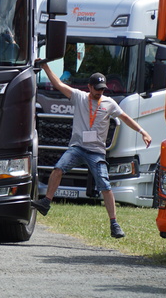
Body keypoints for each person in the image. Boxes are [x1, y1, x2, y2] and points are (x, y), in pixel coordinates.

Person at [32, 63, 152, 238]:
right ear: (89, 87)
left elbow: (125, 117)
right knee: (58, 169)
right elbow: (58, 84)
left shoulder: (109, 103)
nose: (99, 92)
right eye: (96, 89)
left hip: (96, 152)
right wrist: (46, 67)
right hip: (77, 148)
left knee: (105, 185)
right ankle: (46, 202)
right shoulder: (79, 97)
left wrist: (143, 132)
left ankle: (114, 224)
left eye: (102, 89)